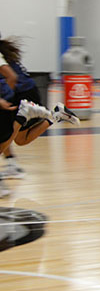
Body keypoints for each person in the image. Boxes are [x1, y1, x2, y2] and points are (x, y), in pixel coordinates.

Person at [0, 34, 79, 182]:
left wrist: (5, 100)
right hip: (27, 92)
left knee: (5, 136)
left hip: (21, 95)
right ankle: (55, 116)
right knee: (21, 140)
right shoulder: (4, 52)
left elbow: (12, 78)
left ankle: (12, 165)